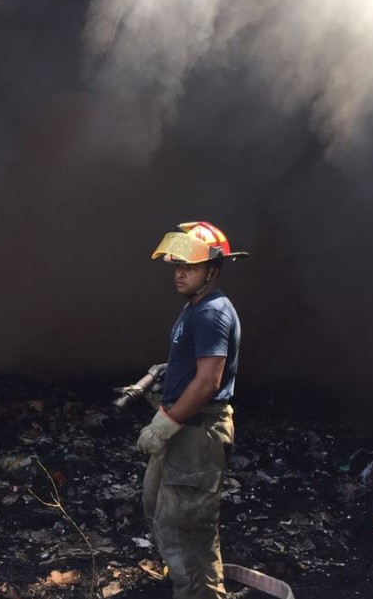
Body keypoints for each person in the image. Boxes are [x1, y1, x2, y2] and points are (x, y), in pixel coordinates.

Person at [136, 221, 248, 599]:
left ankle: (200, 593)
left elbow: (208, 382)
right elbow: (195, 367)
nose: (180, 273)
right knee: (158, 508)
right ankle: (186, 582)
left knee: (187, 528)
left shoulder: (212, 313)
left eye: (191, 266)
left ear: (212, 270)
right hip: (183, 428)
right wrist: (169, 372)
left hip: (197, 433)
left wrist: (164, 424)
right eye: (177, 266)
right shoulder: (194, 308)